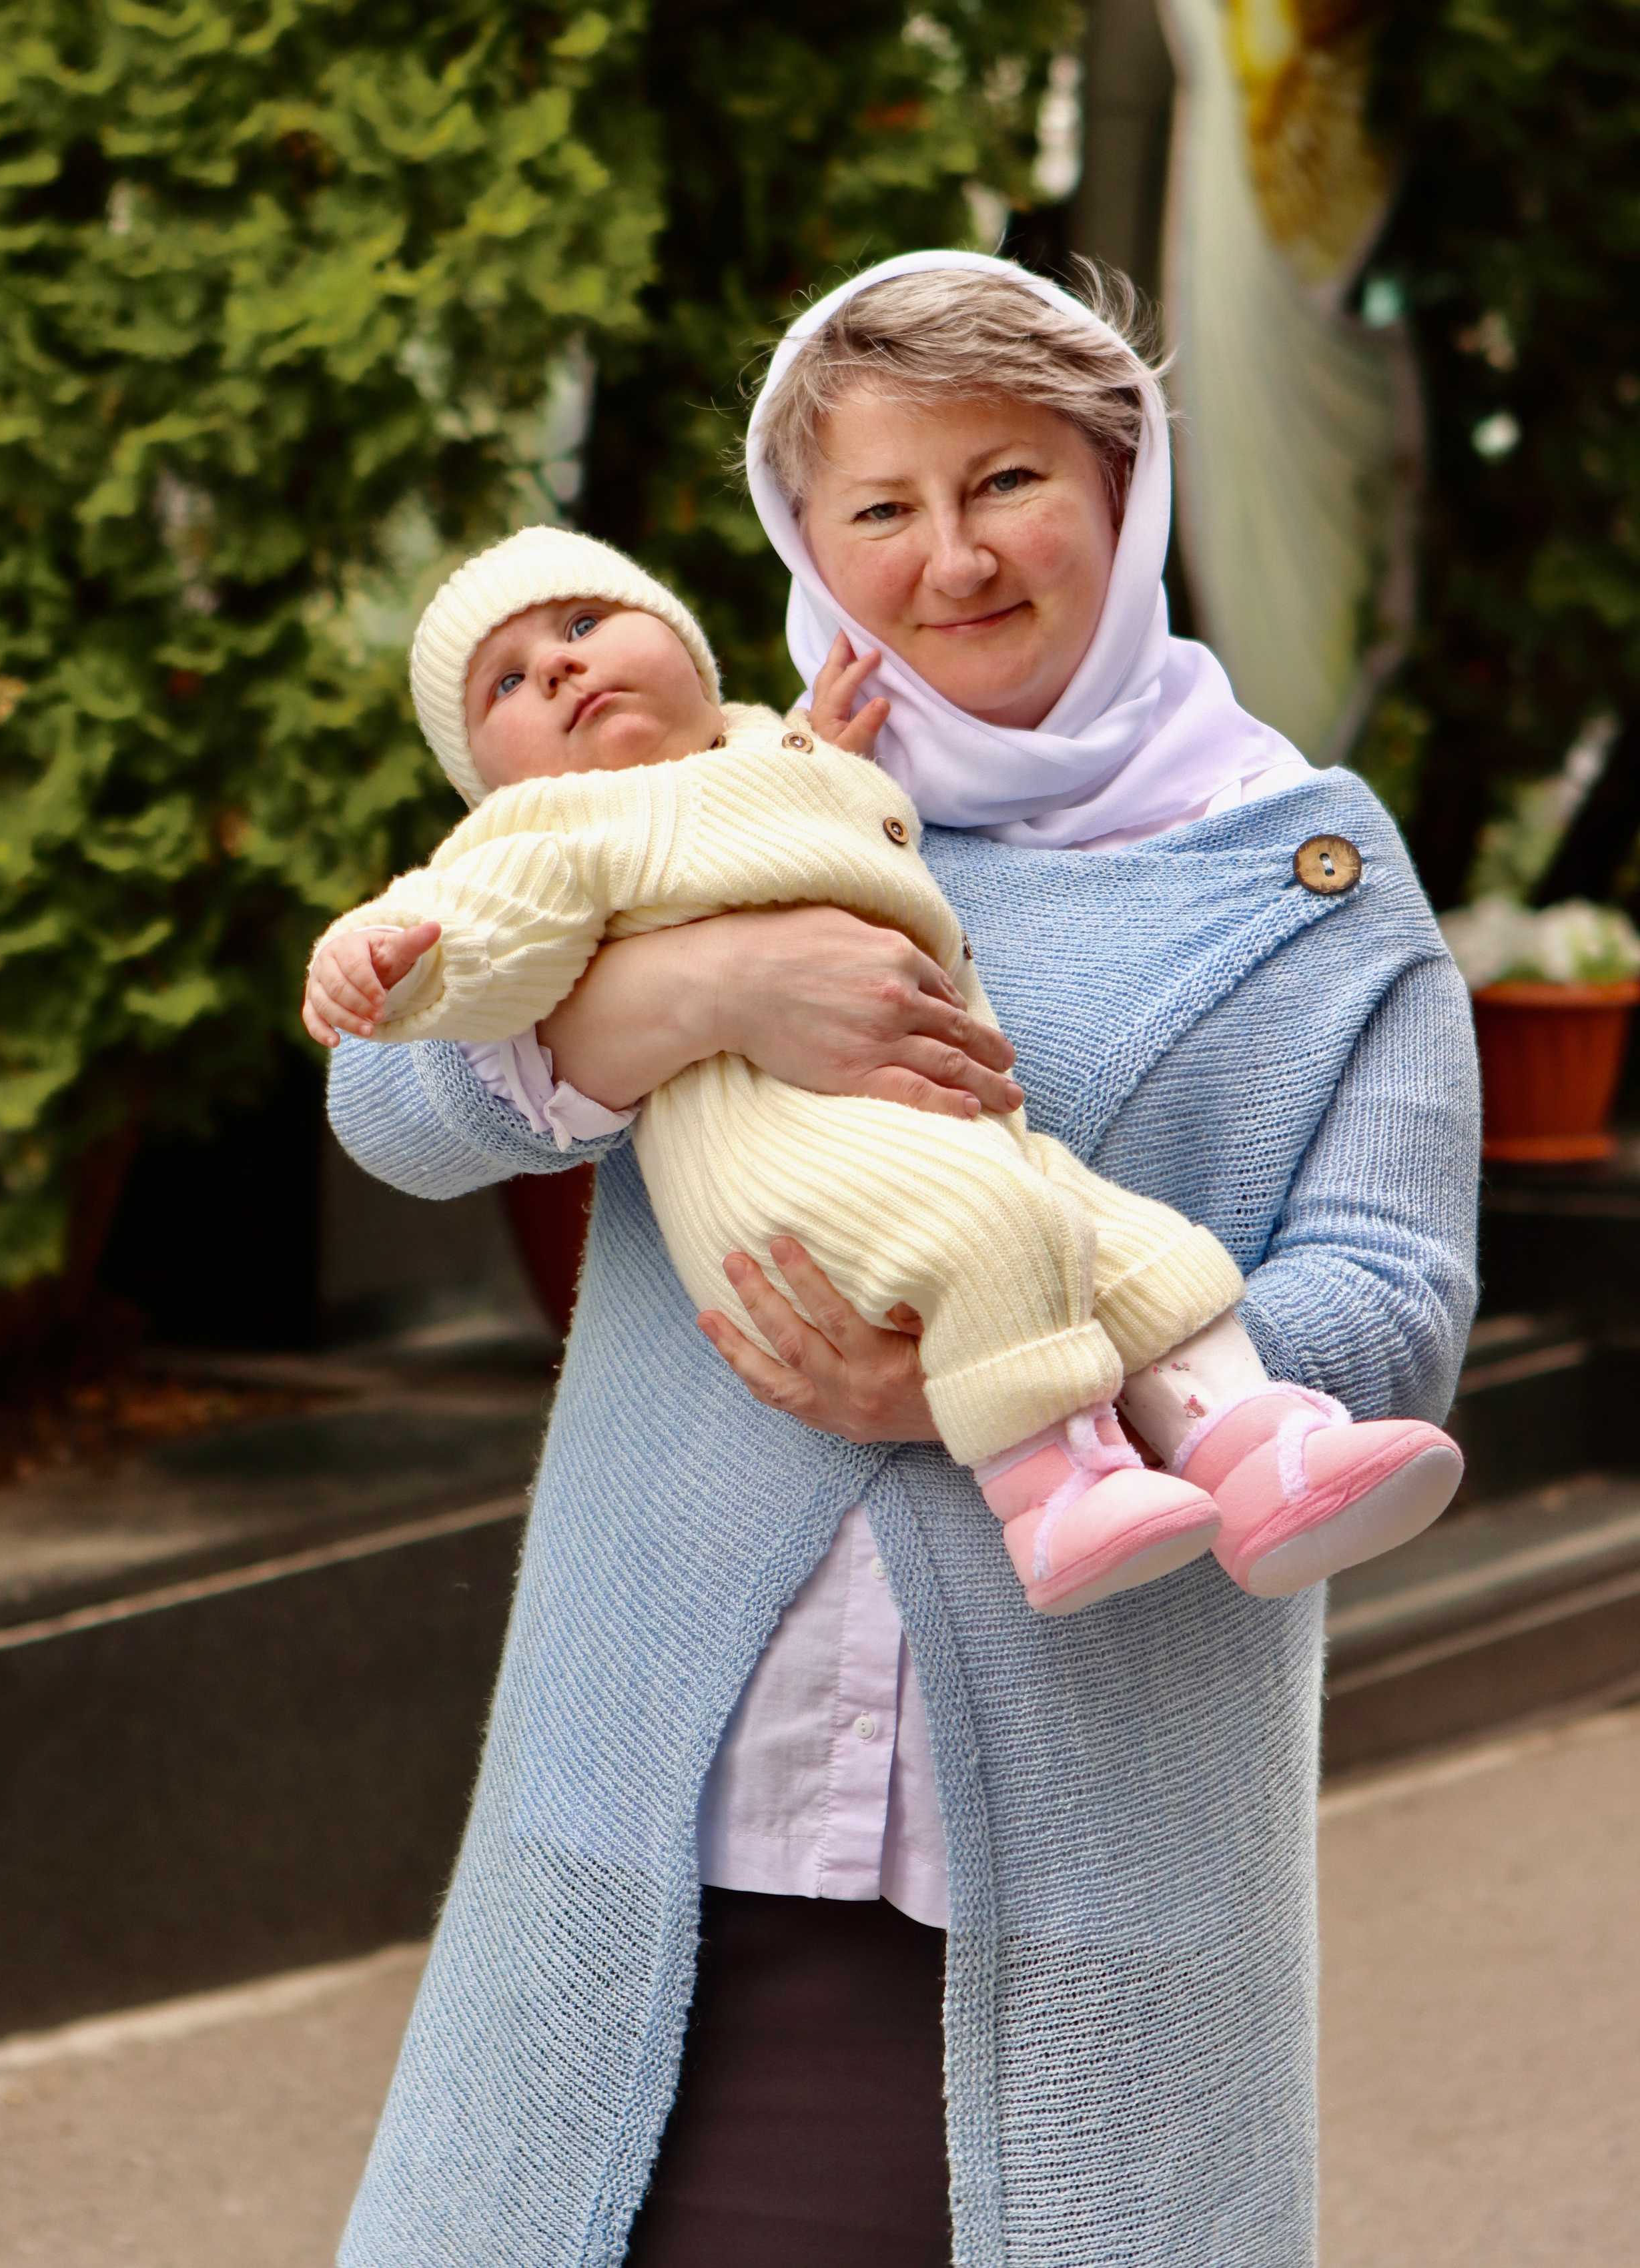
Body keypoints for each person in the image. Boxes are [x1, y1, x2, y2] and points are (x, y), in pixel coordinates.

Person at [328, 252, 1480, 2268]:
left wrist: (1003, 1374)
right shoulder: (683, 811)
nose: (952, 558)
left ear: (1122, 494)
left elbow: (1390, 1305)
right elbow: (397, 1110)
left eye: (1009, 479)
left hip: (1065, 1832)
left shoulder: (1311, 874)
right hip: (676, 1818)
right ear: (810, 548)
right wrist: (705, 989)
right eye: (881, 509)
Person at [304, 526, 1462, 1613]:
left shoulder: (788, 748)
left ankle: (1261, 1451)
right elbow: (451, 968)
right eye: (503, 684)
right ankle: (1057, 1498)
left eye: (584, 623)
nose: (556, 670)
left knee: (1125, 1246)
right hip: (785, 1151)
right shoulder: (553, 826)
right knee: (990, 1227)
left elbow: (1399, 1290)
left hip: (959, 1138)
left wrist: (823, 751)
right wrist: (399, 963)